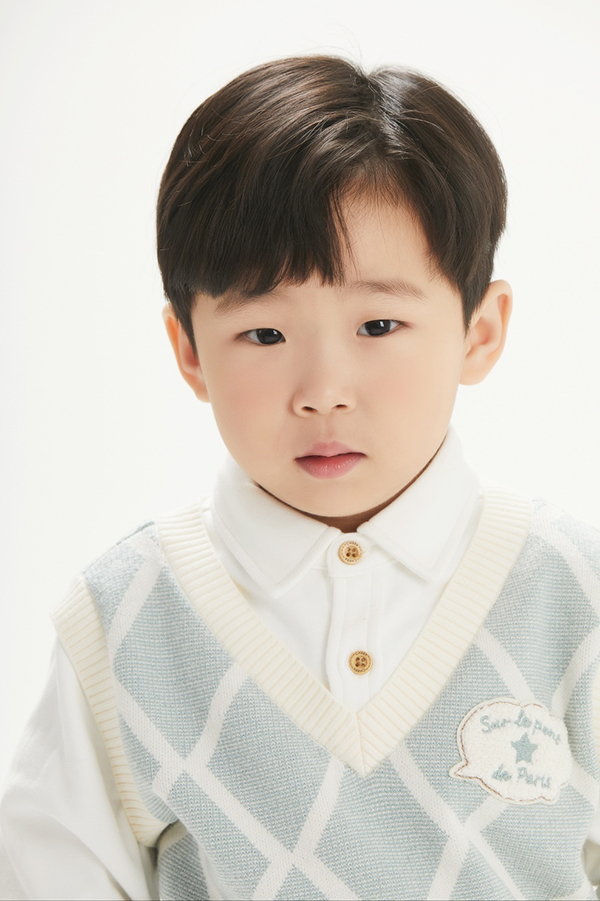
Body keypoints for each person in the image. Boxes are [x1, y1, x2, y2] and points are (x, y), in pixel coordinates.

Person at [1, 54, 600, 901]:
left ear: (480, 331)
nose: (323, 391)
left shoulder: (573, 591)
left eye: (378, 324)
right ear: (188, 350)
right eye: (265, 335)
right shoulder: (126, 617)